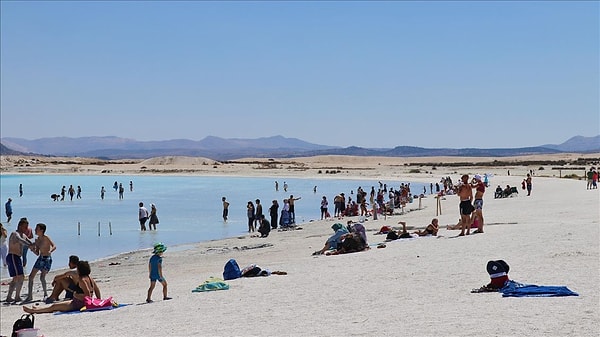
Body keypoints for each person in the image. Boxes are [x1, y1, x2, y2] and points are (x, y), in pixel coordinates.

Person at [23, 260, 100, 313]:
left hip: (78, 304)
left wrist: (76, 295)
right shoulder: (90, 278)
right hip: (77, 302)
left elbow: (88, 296)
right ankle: (37, 308)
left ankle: (34, 311)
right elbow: (96, 290)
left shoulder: (82, 280)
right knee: (55, 306)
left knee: (54, 307)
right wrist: (99, 300)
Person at [3, 218, 34, 303]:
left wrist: (35, 248)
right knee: (20, 277)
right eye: (25, 227)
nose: (26, 229)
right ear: (20, 226)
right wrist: (30, 245)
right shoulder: (15, 234)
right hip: (13, 256)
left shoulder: (24, 235)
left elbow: (29, 242)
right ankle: (17, 297)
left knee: (16, 278)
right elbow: (21, 241)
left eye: (27, 227)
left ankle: (9, 297)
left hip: (17, 258)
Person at [24, 223, 57, 302]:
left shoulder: (46, 238)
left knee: (42, 277)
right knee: (31, 276)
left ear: (41, 230)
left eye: (37, 228)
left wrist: (50, 251)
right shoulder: (37, 240)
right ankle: (30, 296)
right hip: (40, 258)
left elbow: (54, 246)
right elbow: (37, 253)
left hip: (47, 259)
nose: (35, 230)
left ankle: (45, 294)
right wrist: (32, 249)